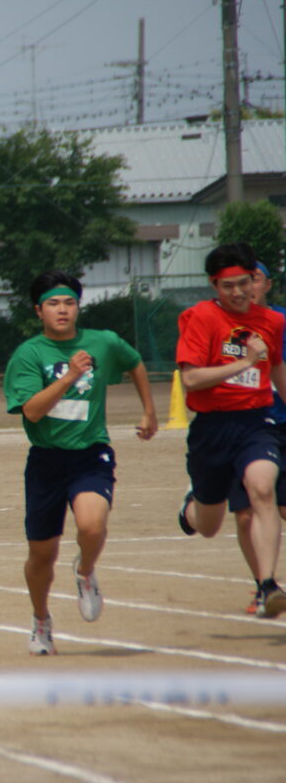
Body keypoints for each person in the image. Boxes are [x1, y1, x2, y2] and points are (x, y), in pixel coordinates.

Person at [3, 270, 158, 656]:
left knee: (91, 526)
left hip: (91, 454)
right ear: (38, 310)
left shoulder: (102, 342)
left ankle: (85, 571)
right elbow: (32, 411)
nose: (63, 310)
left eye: (70, 303)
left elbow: (135, 362)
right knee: (42, 554)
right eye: (54, 303)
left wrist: (149, 411)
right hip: (46, 461)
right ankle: (41, 621)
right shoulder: (29, 354)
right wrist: (70, 375)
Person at [174, 244, 286, 619]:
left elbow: (277, 369)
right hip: (212, 428)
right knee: (208, 525)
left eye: (244, 283)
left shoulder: (271, 322)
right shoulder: (200, 318)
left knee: (262, 487)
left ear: (255, 280)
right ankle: (190, 506)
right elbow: (191, 379)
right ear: (214, 285)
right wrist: (246, 361)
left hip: (256, 422)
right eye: (228, 286)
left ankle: (267, 584)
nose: (238, 292)